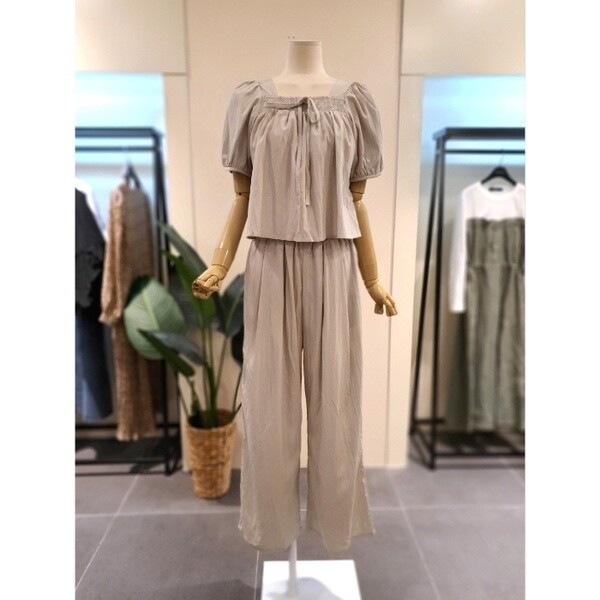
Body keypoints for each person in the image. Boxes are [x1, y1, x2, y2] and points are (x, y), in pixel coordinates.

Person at [192, 39, 396, 555]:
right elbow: (243, 195)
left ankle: (333, 524)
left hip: (334, 261)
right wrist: (220, 263)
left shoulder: (354, 104)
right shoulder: (250, 102)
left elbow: (357, 202)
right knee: (269, 404)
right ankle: (274, 528)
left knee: (337, 400)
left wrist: (372, 279)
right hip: (269, 262)